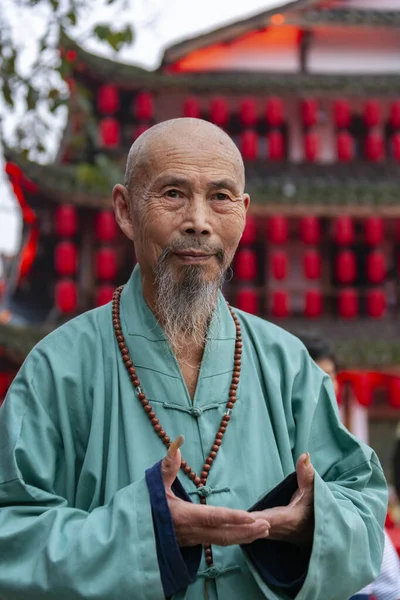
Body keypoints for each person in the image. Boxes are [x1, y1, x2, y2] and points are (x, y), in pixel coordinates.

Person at [0, 118, 387, 600]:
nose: (199, 221)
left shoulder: (287, 365)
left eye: (221, 197)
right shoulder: (59, 369)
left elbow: (362, 504)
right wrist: (149, 533)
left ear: (243, 213)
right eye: (173, 194)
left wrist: (314, 522)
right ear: (124, 210)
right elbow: (10, 533)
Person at [299, 332, 400, 600]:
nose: (325, 384)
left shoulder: (348, 441)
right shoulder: (280, 435)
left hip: (355, 578)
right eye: (315, 374)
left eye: (330, 375)